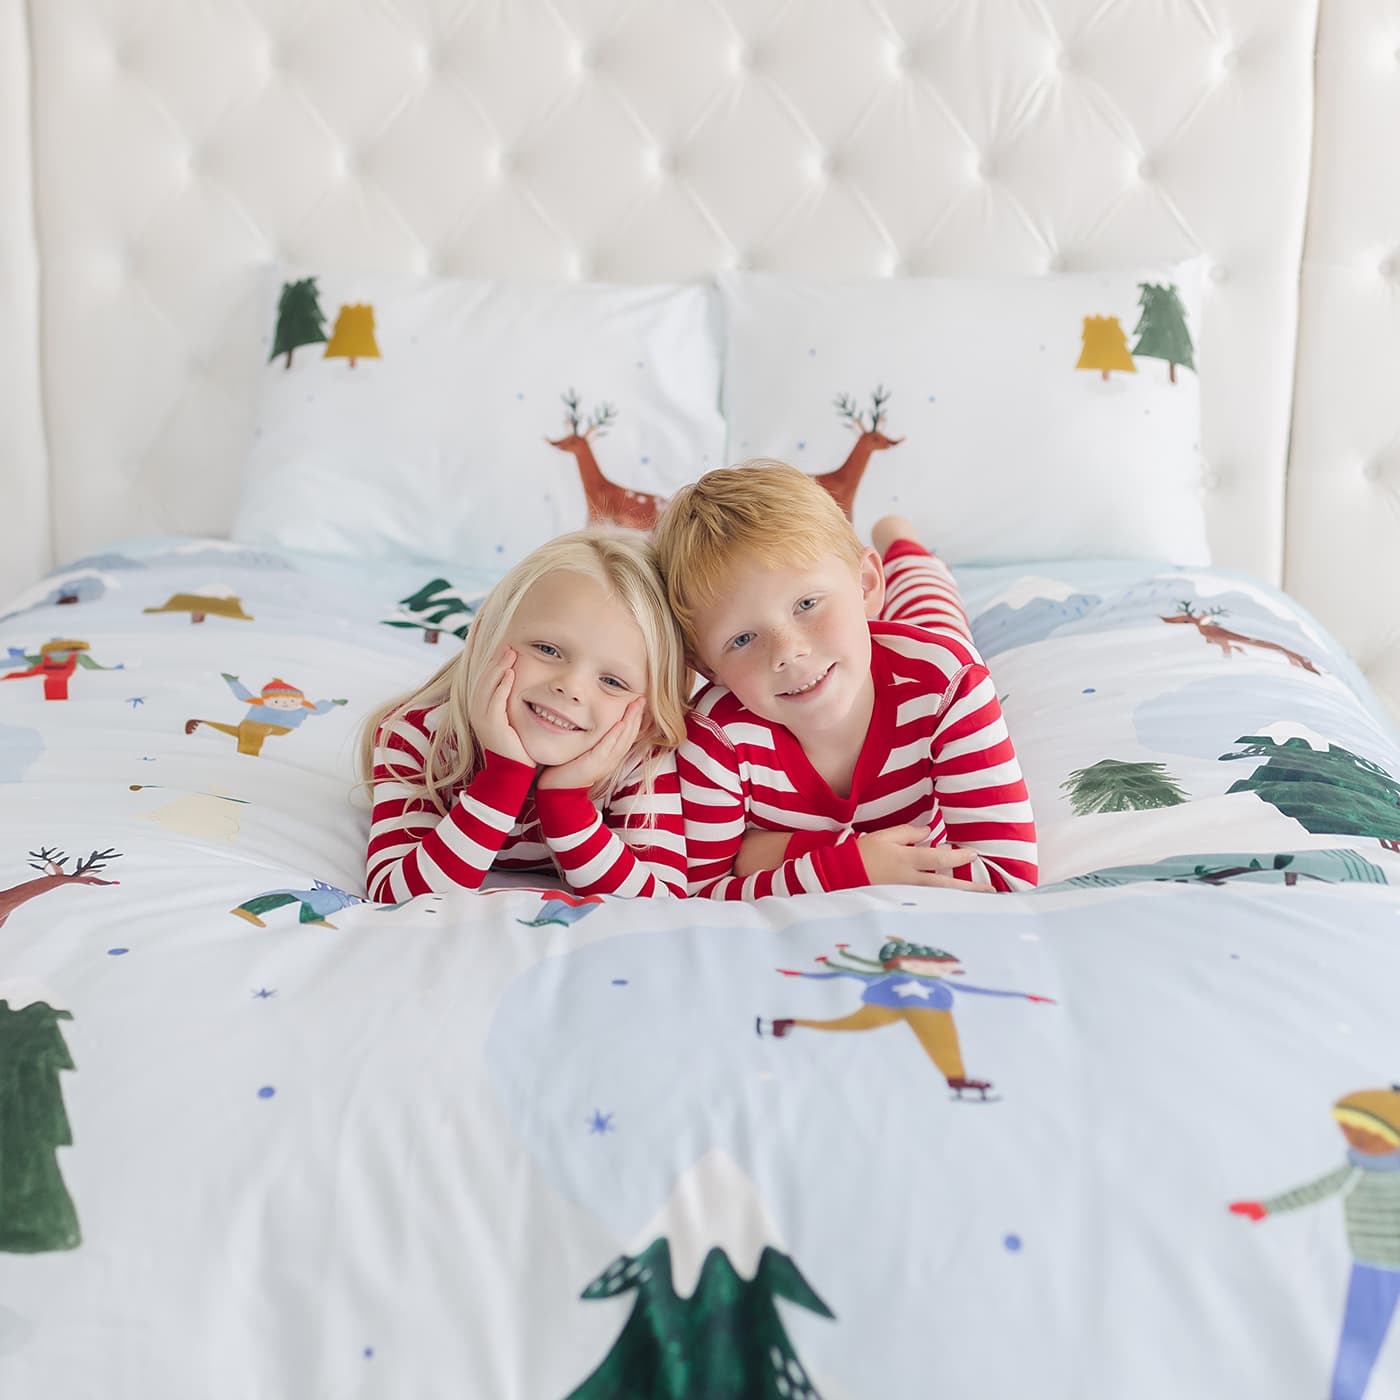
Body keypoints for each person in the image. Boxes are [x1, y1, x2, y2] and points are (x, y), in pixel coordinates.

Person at [652, 460, 1037, 899]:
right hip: (869, 656)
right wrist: (849, 864)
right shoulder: (717, 737)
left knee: (935, 612)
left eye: (807, 604)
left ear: (866, 583)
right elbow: (702, 893)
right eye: (742, 638)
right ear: (705, 668)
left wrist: (768, 854)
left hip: (909, 653)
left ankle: (900, 542)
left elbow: (1009, 878)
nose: (788, 652)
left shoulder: (947, 682)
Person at [360, 530, 690, 901]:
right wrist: (505, 776)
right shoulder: (417, 735)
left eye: (612, 681)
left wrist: (567, 803)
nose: (572, 687)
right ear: (484, 632)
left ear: (645, 712)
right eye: (548, 649)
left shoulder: (639, 759)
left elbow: (661, 905)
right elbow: (394, 897)